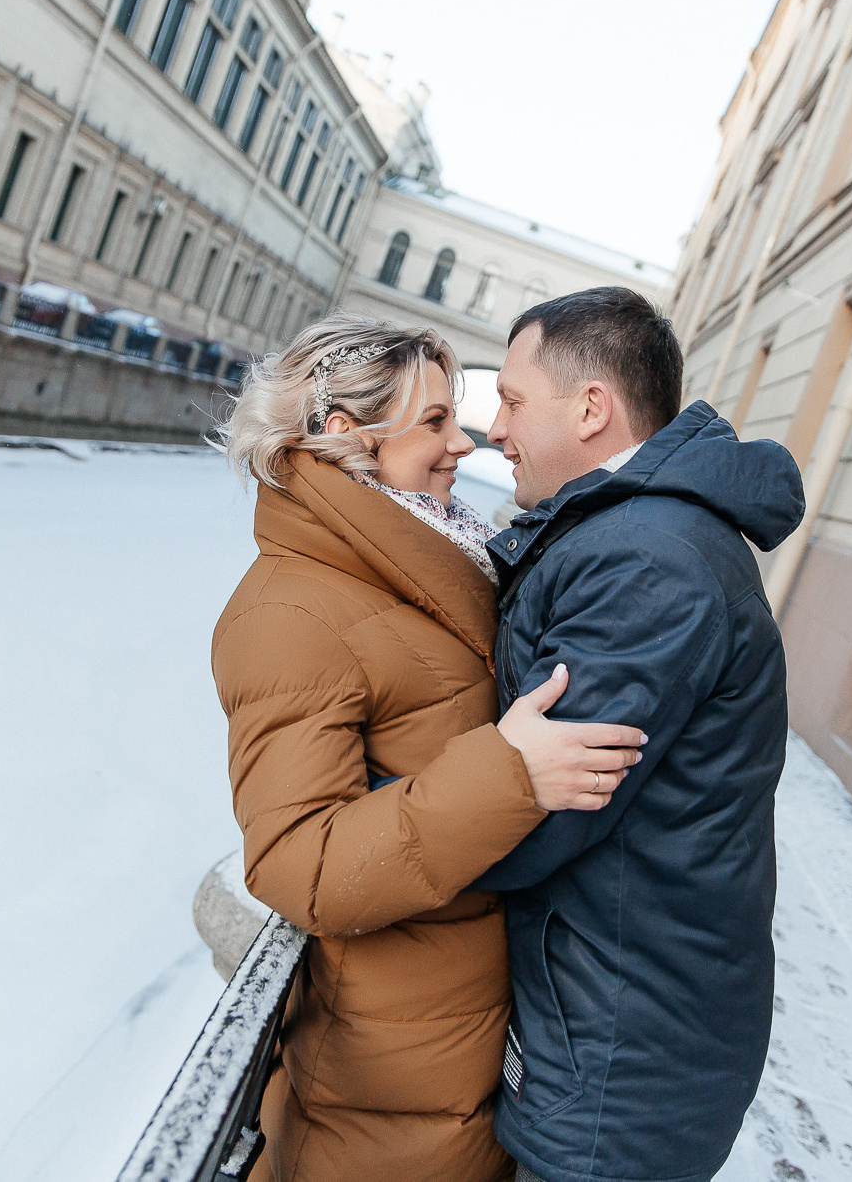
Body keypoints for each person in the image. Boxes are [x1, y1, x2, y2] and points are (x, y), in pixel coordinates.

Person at [211, 314, 646, 1182]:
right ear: (348, 434)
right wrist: (509, 774)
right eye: (436, 421)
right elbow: (298, 861)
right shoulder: (288, 612)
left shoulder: (436, 558)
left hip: (464, 1039)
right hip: (384, 1084)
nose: (464, 443)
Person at [473, 287, 806, 1182]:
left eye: (511, 399)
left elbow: (539, 809)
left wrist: (357, 821)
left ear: (591, 408)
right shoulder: (638, 532)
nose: (494, 430)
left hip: (619, 1056)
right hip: (620, 1024)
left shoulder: (647, 559)